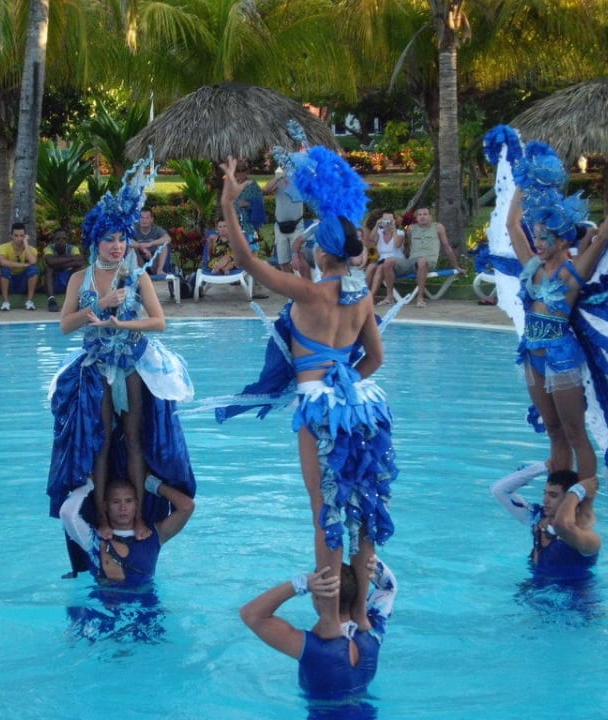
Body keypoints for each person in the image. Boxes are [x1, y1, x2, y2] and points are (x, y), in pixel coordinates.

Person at [217, 150, 396, 628]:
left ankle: (331, 620)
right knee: (364, 507)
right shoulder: (363, 296)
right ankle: (360, 614)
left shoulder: (310, 293)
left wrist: (229, 202)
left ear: (321, 252)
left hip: (318, 406)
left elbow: (245, 259)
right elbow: (375, 359)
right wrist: (346, 383)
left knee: (326, 509)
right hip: (361, 406)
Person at [46, 154, 195, 574]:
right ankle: (102, 515)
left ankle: (142, 512)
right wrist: (101, 306)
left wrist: (121, 321)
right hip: (95, 366)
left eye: (122, 238)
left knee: (133, 439)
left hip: (132, 365)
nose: (117, 245)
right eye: (109, 238)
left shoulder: (138, 275)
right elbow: (65, 326)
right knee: (99, 441)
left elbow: (159, 322)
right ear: (95, 240)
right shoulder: (80, 278)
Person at [506, 159, 608, 489]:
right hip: (531, 354)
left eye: (544, 238)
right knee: (554, 431)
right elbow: (512, 225)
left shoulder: (571, 273)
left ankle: (584, 502)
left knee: (574, 432)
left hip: (560, 357)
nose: (537, 243)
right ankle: (557, 492)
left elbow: (603, 236)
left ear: (561, 241)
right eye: (536, 237)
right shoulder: (532, 267)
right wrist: (522, 182)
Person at [240, 557, 397, 700]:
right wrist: (373, 564)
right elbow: (388, 588)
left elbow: (251, 614)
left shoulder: (311, 648)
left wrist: (301, 583)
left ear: (317, 596)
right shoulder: (374, 631)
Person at [60, 474, 194, 586]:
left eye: (128, 501)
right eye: (116, 502)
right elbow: (67, 514)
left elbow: (187, 507)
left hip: (145, 607)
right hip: (103, 607)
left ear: (137, 504)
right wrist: (88, 485)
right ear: (105, 506)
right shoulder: (93, 539)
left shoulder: (154, 536)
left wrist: (154, 485)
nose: (123, 507)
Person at [491, 464, 599, 579]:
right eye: (545, 493)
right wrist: (543, 467)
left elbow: (562, 526)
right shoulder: (537, 518)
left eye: (553, 495)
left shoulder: (586, 537)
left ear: (569, 499)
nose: (545, 500)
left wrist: (577, 491)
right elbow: (499, 490)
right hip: (532, 587)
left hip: (572, 591)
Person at [395, 206, 462, 308]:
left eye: (425, 214)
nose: (422, 217)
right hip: (412, 261)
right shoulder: (411, 229)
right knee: (388, 262)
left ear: (431, 217)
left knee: (421, 261)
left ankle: (420, 298)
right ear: (416, 218)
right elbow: (408, 247)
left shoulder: (438, 227)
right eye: (419, 215)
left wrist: (456, 266)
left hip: (428, 262)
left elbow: (447, 247)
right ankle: (389, 297)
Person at [263, 166, 304, 272]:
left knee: (299, 261)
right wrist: (277, 178)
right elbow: (265, 190)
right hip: (280, 227)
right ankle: (289, 282)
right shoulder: (279, 172)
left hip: (297, 226)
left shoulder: (300, 173)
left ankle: (300, 282)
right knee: (283, 263)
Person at [364, 210, 405, 306]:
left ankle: (371, 297)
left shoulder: (400, 233)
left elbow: (397, 244)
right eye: (384, 219)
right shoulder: (379, 232)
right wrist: (377, 225)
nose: (387, 222)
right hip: (381, 260)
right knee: (371, 267)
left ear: (394, 221)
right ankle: (363, 294)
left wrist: (393, 229)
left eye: (389, 220)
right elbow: (371, 239)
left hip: (395, 261)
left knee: (380, 268)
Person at [0, 222, 39, 311]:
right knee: (4, 270)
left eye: (22, 236)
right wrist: (22, 265)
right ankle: (5, 302)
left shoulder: (31, 249)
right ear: (11, 236)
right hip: (10, 280)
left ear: (25, 236)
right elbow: (2, 262)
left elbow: (33, 261)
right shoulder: (3, 247)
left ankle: (29, 301)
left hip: (23, 281)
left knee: (33, 269)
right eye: (16, 236)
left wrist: (26, 243)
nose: (19, 238)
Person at [42, 228, 85, 312]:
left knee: (79, 269)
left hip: (68, 280)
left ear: (67, 239)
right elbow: (50, 261)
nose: (61, 241)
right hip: (54, 282)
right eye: (58, 239)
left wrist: (57, 263)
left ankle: (75, 300)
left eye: (64, 238)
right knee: (48, 269)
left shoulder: (73, 248)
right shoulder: (49, 248)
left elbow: (80, 261)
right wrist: (72, 259)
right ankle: (51, 300)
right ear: (54, 240)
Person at [233, 159, 266, 253]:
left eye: (243, 170)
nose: (240, 173)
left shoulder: (253, 185)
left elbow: (261, 202)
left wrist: (248, 204)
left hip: (249, 224)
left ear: (246, 171)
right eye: (238, 171)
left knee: (252, 250)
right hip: (235, 223)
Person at [130, 208, 171, 277]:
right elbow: (126, 239)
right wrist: (140, 246)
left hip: (153, 261)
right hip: (139, 262)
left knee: (164, 246)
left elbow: (168, 238)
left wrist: (150, 244)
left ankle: (159, 270)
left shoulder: (157, 229)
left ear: (151, 219)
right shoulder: (134, 228)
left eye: (147, 218)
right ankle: (139, 272)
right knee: (131, 248)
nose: (144, 220)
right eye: (142, 218)